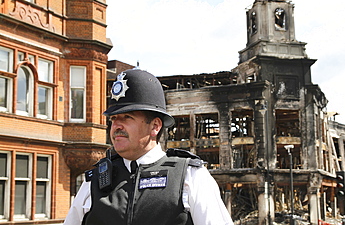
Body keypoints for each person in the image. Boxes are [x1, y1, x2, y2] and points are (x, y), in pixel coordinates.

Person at [63, 69, 234, 225]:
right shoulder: (95, 181)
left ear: (155, 126)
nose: (116, 126)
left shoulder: (190, 177)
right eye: (113, 119)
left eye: (127, 117)